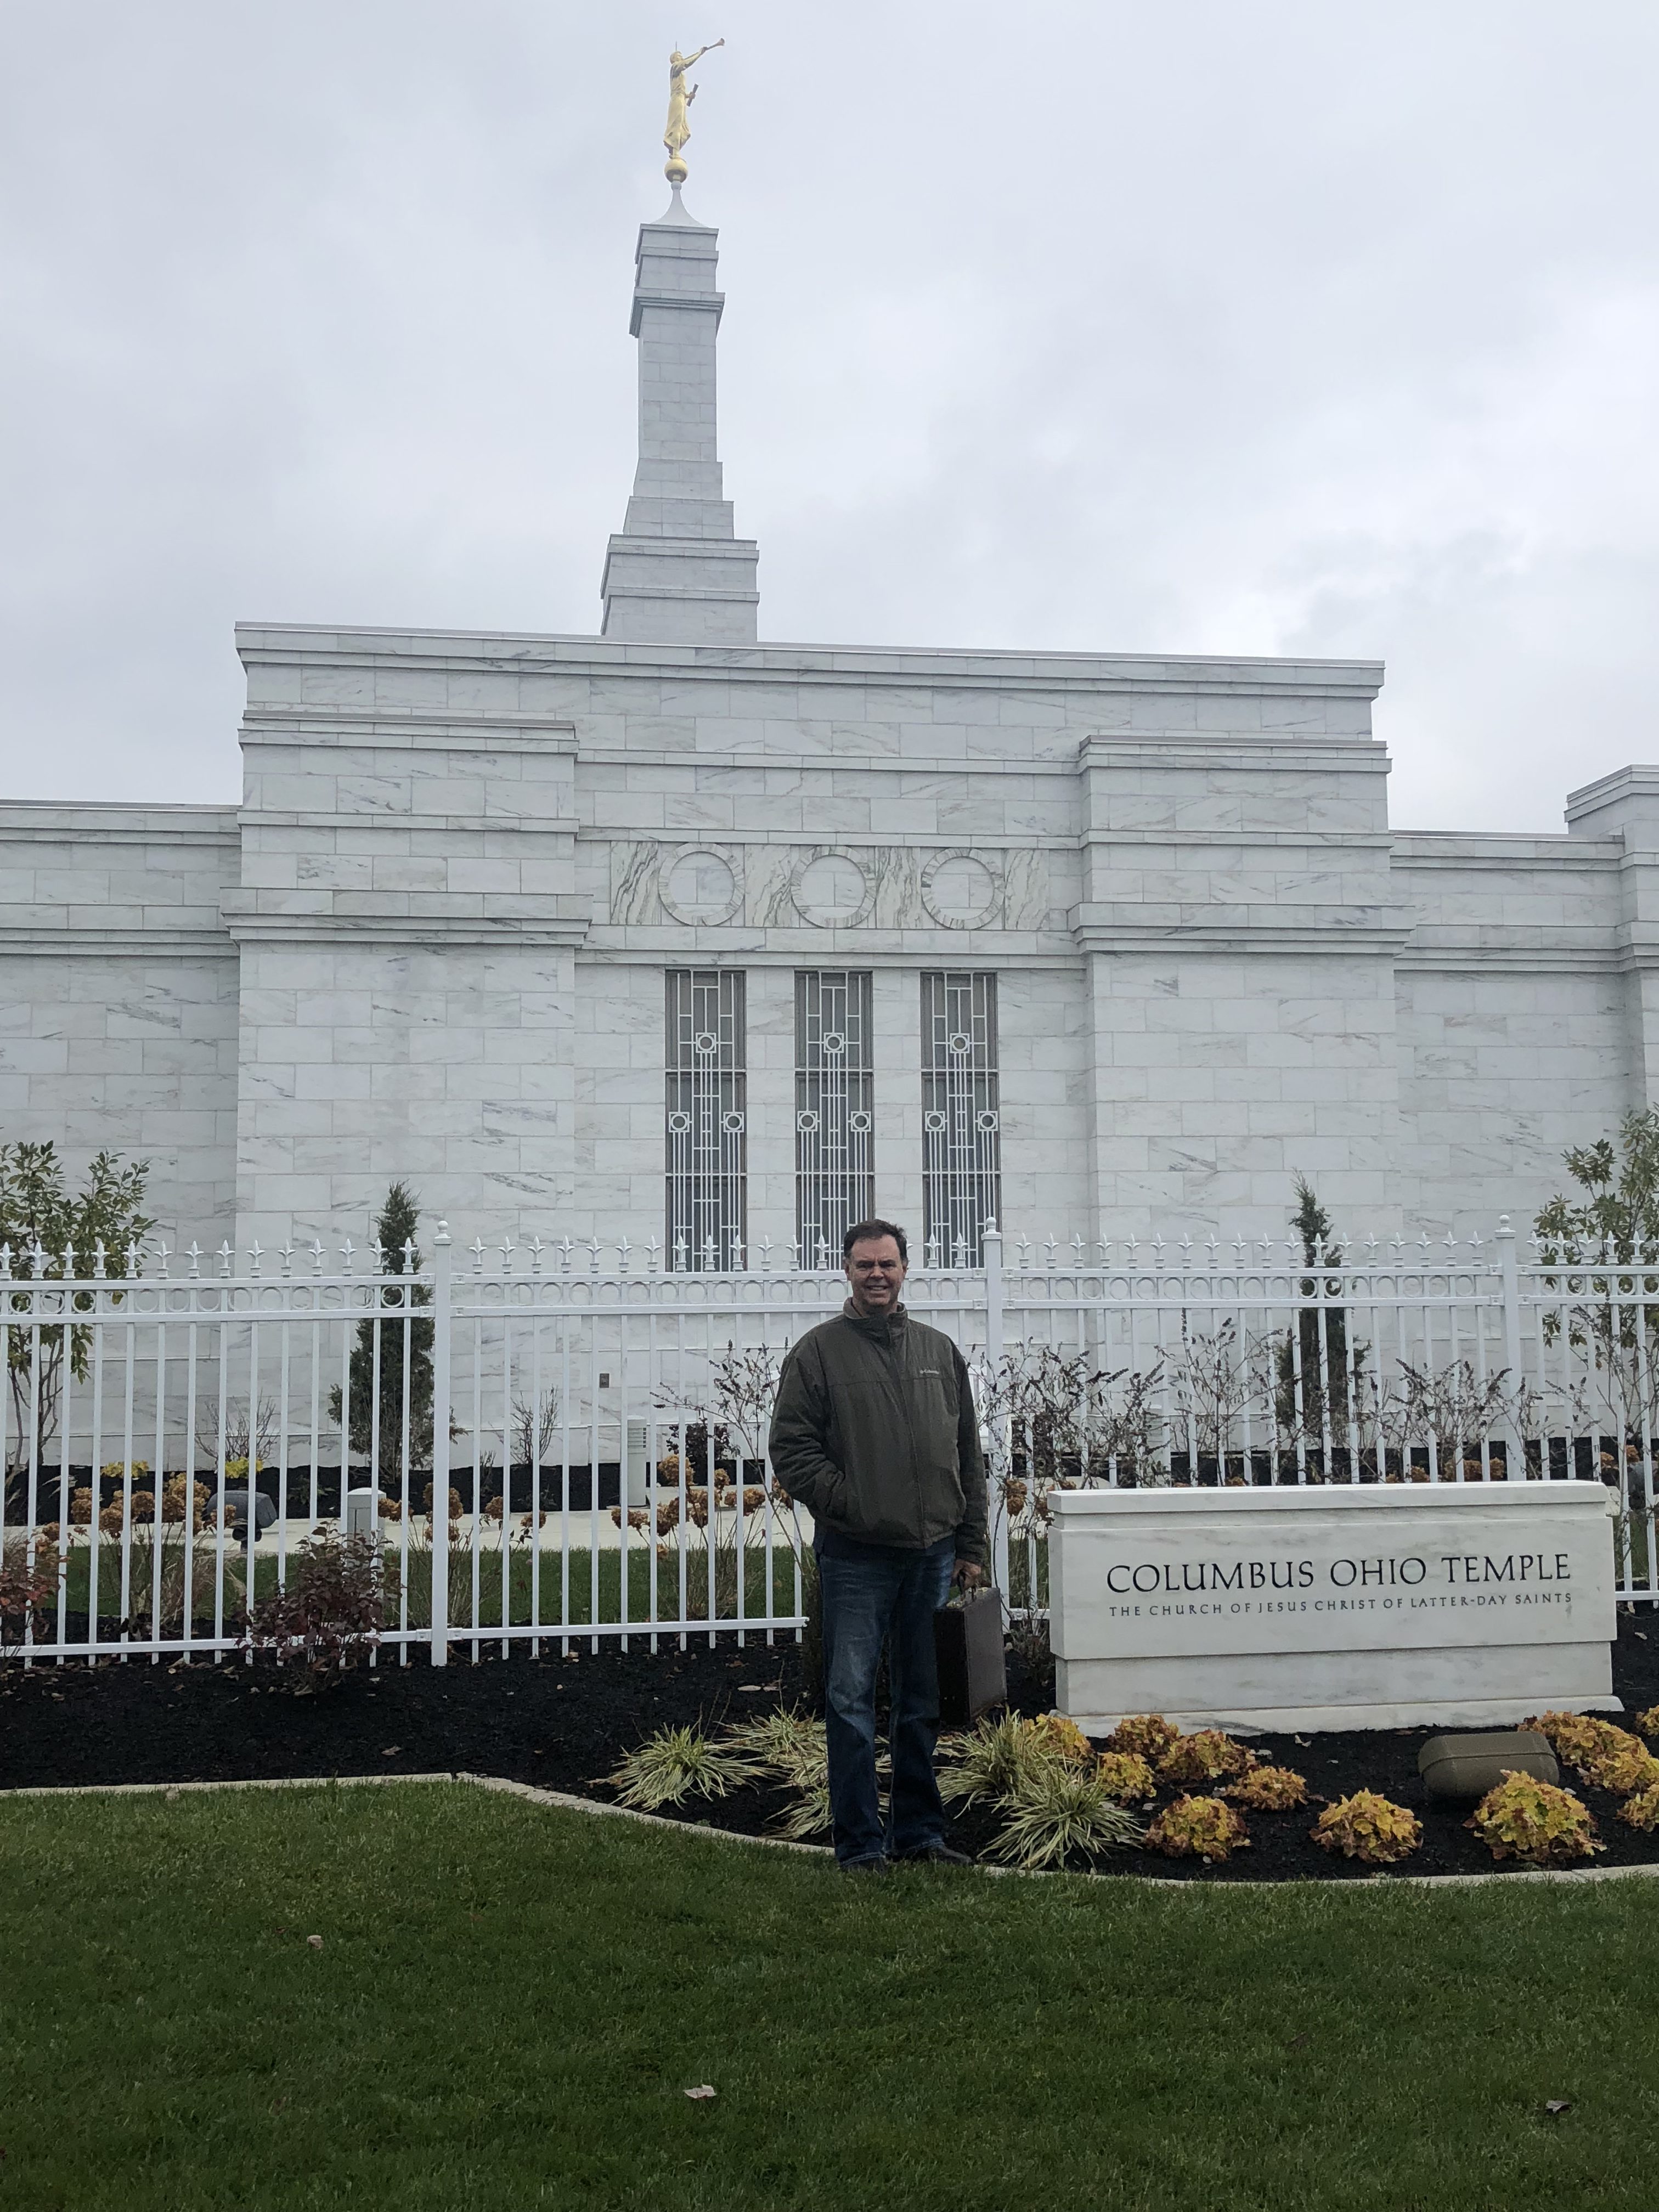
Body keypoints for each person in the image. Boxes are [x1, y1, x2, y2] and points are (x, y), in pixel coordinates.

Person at [769, 1218, 988, 1872]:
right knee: (850, 1701)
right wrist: (853, 1505)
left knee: (921, 1702)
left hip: (932, 1553)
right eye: (865, 1265)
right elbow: (792, 1449)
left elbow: (966, 1455)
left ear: (904, 1270)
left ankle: (919, 1833)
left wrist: (970, 1542)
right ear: (846, 1270)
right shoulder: (818, 1353)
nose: (877, 1276)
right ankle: (861, 1844)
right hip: (857, 1557)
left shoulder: (938, 1350)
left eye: (887, 1265)